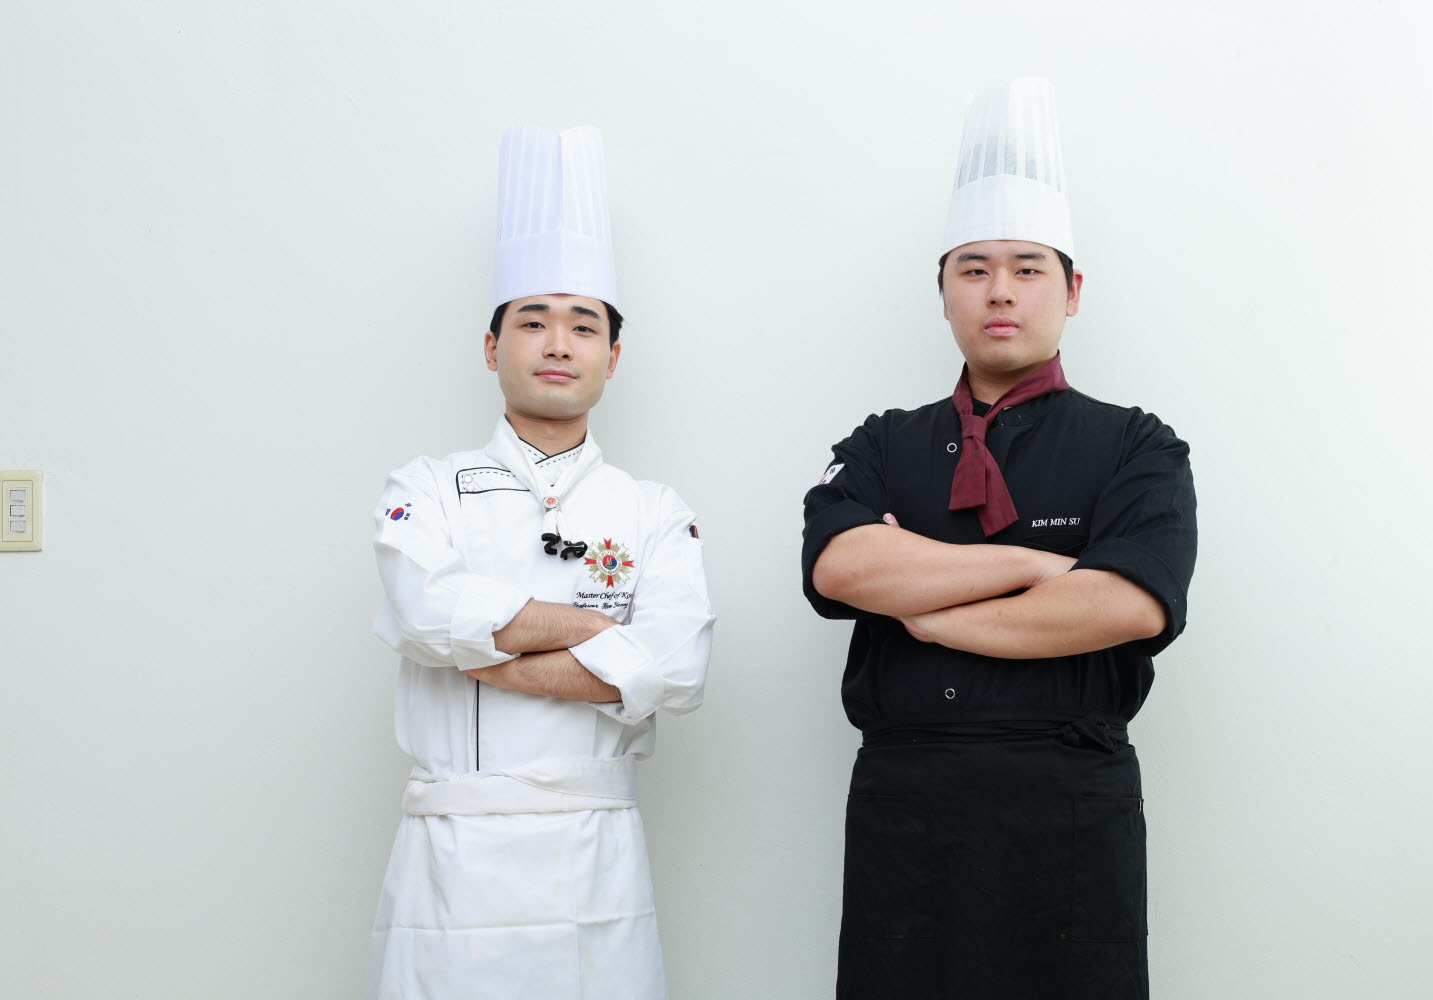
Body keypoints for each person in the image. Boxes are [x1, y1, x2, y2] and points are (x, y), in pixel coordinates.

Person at [802, 78, 1196, 999]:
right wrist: (1030, 566)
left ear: (1073, 290)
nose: (1001, 291)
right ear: (943, 291)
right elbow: (842, 566)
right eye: (974, 269)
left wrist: (926, 607)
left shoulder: (1137, 444)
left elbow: (1126, 603)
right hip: (907, 803)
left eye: (1028, 268)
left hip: (1069, 801)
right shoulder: (881, 443)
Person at [366, 124, 714, 1000]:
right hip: (453, 859)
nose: (558, 344)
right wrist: (596, 630)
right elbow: (424, 613)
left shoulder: (653, 510)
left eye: (582, 326)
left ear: (612, 357)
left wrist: (490, 648)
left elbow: (677, 670)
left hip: (593, 856)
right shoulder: (425, 487)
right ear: (492, 347)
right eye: (533, 322)